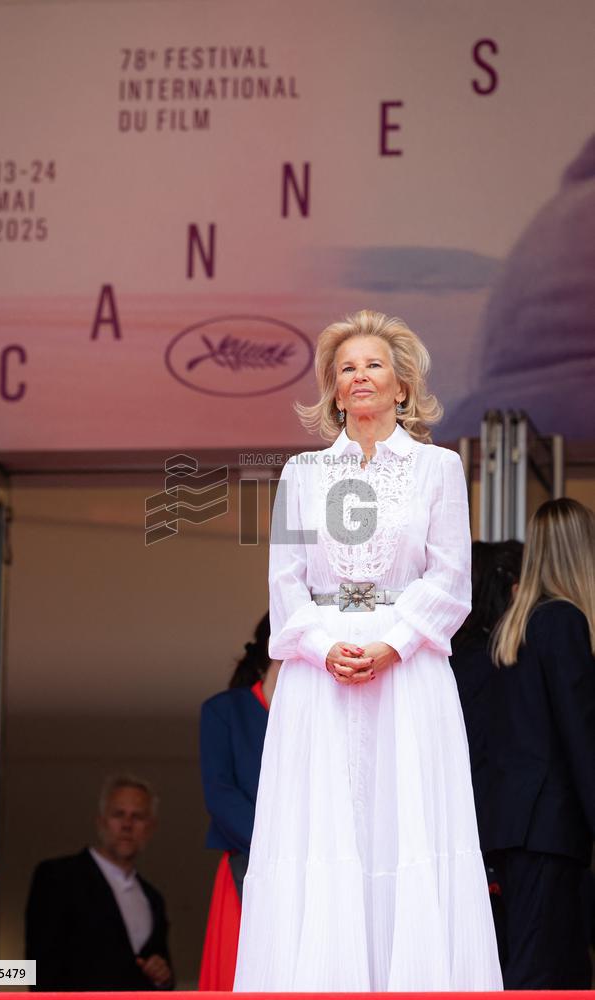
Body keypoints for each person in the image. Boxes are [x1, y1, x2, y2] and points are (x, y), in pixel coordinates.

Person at [233, 308, 502, 991]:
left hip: (407, 672)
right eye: (346, 368)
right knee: (324, 825)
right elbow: (285, 582)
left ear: (402, 386)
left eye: (373, 365)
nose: (359, 377)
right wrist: (327, 649)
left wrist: (392, 643)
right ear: (332, 388)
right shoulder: (302, 473)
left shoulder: (438, 469)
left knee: (404, 820)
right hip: (318, 673)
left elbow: (450, 579)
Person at [484, 498, 595, 989]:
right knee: (548, 975)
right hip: (551, 831)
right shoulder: (565, 621)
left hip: (516, 830)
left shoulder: (515, 626)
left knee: (533, 969)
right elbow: (581, 734)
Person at [25, 775, 173, 991]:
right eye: (118, 814)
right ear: (101, 821)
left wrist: (163, 977)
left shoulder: (153, 899)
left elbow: (163, 975)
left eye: (138, 817)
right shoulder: (57, 877)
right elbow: (39, 965)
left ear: (150, 827)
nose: (127, 825)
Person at [198, 613, 281, 990]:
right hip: (246, 864)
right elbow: (220, 795)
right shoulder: (224, 711)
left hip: (317, 866)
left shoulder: (324, 717)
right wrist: (277, 847)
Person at [450, 540, 523, 840]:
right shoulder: (501, 663)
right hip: (487, 824)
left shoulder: (450, 656)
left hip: (455, 814)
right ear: (513, 592)